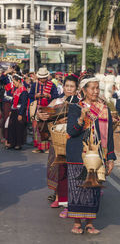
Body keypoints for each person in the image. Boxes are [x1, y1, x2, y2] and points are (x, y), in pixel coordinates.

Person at [66, 75, 116, 235]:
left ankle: (89, 223)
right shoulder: (75, 107)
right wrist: (82, 117)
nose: (95, 91)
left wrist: (110, 158)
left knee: (93, 189)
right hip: (77, 155)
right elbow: (71, 132)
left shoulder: (104, 109)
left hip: (97, 155)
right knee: (77, 189)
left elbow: (108, 135)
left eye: (97, 88)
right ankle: (76, 222)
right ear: (84, 90)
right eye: (92, 88)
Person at [38, 75, 79, 214]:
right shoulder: (57, 101)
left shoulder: (79, 103)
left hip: (74, 142)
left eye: (72, 86)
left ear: (76, 88)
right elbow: (44, 114)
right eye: (67, 86)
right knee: (57, 169)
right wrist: (42, 116)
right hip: (58, 141)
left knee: (72, 172)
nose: (69, 89)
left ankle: (71, 200)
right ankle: (58, 197)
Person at [29, 67, 59, 153]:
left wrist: (48, 95)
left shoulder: (52, 85)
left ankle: (48, 147)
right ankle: (39, 147)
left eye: (44, 77)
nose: (43, 79)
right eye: (41, 77)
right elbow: (30, 95)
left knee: (46, 127)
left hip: (48, 108)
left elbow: (56, 96)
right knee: (36, 128)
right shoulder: (35, 85)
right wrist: (36, 95)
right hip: (37, 108)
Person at [6, 74, 28, 150]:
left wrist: (21, 114)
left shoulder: (24, 91)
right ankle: (12, 142)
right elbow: (13, 100)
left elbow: (24, 103)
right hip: (14, 110)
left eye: (14, 82)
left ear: (19, 81)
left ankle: (18, 143)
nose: (14, 84)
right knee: (11, 127)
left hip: (19, 111)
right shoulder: (16, 90)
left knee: (19, 128)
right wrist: (11, 110)